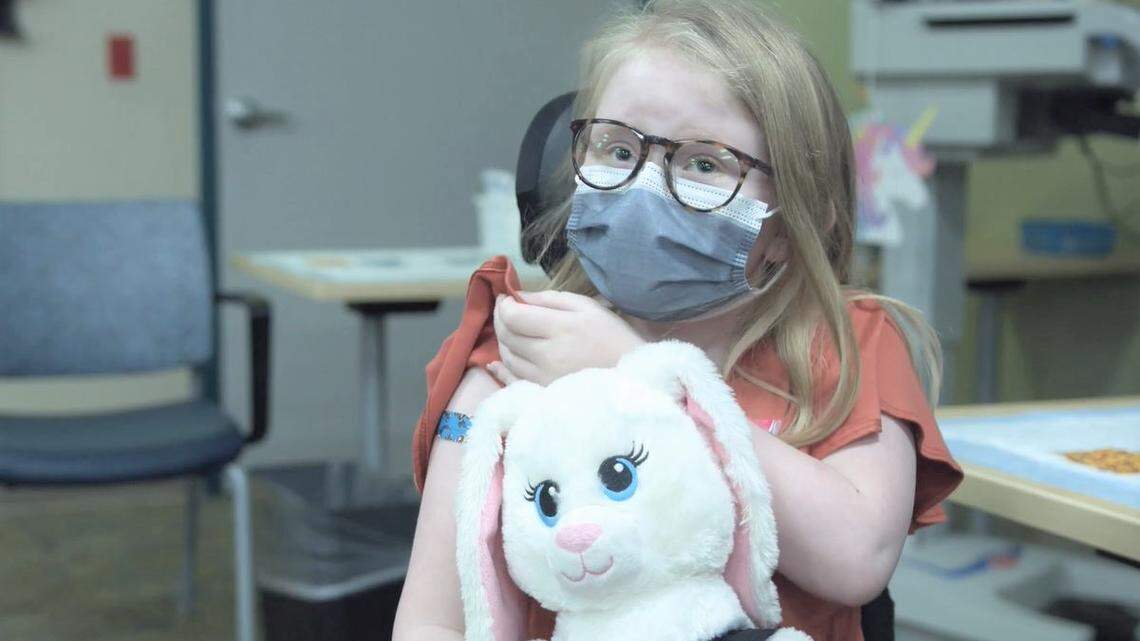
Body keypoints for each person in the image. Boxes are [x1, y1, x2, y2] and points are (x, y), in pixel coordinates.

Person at [392, 2, 962, 640]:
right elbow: (429, 624)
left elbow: (857, 560)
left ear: (798, 219)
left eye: (704, 164)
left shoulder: (851, 346)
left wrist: (630, 371)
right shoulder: (509, 364)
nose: (644, 187)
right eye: (616, 147)